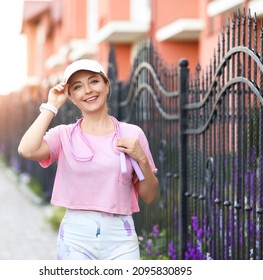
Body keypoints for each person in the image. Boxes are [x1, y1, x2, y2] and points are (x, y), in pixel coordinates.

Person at [18, 59, 158, 260]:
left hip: (121, 237)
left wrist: (142, 160)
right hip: (76, 238)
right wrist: (51, 106)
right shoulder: (64, 135)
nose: (88, 91)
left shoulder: (132, 134)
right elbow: (26, 149)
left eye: (94, 81)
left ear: (106, 85)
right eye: (77, 87)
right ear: (72, 97)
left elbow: (150, 195)